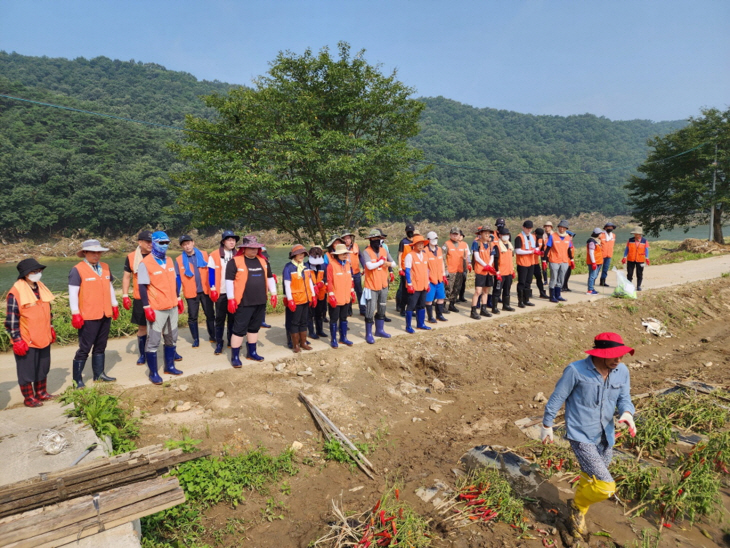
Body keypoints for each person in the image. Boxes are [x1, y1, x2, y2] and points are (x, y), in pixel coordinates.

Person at [541, 333, 636, 540]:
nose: (619, 360)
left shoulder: (622, 371)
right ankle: (578, 505)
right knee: (606, 486)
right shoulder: (576, 370)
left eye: (621, 355)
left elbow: (624, 398)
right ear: (600, 354)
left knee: (591, 476)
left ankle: (578, 515)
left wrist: (627, 413)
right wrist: (547, 424)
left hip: (606, 434)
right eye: (613, 356)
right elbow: (558, 397)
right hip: (581, 434)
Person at [5, 258, 57, 407]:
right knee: (26, 370)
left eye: (39, 271)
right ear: (25, 274)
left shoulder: (41, 287)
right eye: (34, 272)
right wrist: (17, 340)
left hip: (43, 334)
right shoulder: (15, 292)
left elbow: (48, 311)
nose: (38, 274)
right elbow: (12, 319)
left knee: (43, 366)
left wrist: (51, 328)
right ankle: (29, 398)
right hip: (26, 338)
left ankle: (41, 392)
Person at [69, 240, 118, 388]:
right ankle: (77, 380)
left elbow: (109, 286)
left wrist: (114, 304)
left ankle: (99, 374)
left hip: (104, 312)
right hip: (88, 315)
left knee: (100, 346)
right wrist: (75, 313)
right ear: (85, 253)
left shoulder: (105, 267)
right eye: (93, 252)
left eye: (99, 252)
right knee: (85, 348)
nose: (96, 255)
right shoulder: (77, 270)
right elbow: (72, 293)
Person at [137, 231, 184, 384]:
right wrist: (146, 307)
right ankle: (153, 373)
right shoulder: (145, 263)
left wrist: (178, 297)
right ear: (154, 243)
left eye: (167, 243)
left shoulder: (170, 261)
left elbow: (175, 280)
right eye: (161, 243)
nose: (164, 246)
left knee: (172, 337)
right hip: (157, 308)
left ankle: (169, 366)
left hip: (172, 306)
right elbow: (142, 287)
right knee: (154, 340)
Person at [226, 236, 278, 364]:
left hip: (260, 300)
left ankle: (252, 353)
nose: (255, 251)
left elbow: (270, 277)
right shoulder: (235, 261)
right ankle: (235, 357)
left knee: (254, 328)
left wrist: (274, 293)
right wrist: (231, 298)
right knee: (238, 330)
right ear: (243, 249)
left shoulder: (263, 261)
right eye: (251, 248)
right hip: (243, 302)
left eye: (257, 248)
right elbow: (229, 281)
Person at [176, 235, 215, 348]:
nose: (187, 246)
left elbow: (212, 272)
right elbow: (177, 278)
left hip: (205, 290)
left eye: (188, 243)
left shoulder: (204, 255)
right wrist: (177, 294)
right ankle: (196, 339)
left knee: (210, 314)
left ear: (193, 243)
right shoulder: (179, 260)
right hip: (191, 292)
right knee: (192, 317)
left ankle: (213, 336)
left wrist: (214, 287)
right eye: (184, 244)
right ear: (182, 247)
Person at [122, 230, 153, 365]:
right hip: (140, 297)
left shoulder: (158, 255)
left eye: (152, 242)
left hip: (156, 296)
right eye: (147, 242)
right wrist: (124, 295)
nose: (150, 244)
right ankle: (142, 354)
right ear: (140, 242)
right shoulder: (131, 257)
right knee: (142, 327)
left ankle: (171, 350)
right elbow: (127, 277)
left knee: (163, 326)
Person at [360, 229, 394, 343]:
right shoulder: (366, 251)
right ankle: (368, 334)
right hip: (371, 285)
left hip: (383, 284)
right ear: (370, 240)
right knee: (370, 309)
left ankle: (380, 330)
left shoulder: (384, 250)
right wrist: (381, 262)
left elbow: (393, 263)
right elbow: (369, 266)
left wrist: (386, 263)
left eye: (378, 239)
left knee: (382, 307)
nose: (376, 241)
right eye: (373, 239)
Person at [208, 230, 238, 355]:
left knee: (233, 318)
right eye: (229, 240)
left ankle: (232, 340)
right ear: (223, 241)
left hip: (234, 292)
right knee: (220, 318)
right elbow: (210, 272)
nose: (232, 242)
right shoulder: (214, 255)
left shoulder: (238, 255)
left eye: (233, 240)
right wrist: (212, 288)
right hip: (221, 291)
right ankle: (219, 342)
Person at [283, 244, 316, 353]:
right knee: (295, 322)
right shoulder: (288, 267)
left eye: (303, 254)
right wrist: (290, 299)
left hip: (306, 298)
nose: (301, 256)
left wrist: (313, 295)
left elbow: (310, 281)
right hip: (296, 299)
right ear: (294, 255)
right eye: (299, 254)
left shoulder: (305, 266)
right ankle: (295, 345)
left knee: (304, 322)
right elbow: (287, 285)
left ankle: (304, 342)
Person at [326, 244, 357, 348]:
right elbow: (329, 281)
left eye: (346, 253)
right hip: (335, 297)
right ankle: (333, 339)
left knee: (344, 318)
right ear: (337, 255)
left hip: (346, 297)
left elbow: (350, 278)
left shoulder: (347, 264)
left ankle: (343, 338)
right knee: (334, 319)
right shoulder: (331, 265)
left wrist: (352, 291)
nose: (345, 255)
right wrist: (331, 295)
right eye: (343, 254)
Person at [403, 235, 431, 333]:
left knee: (421, 305)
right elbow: (407, 270)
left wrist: (428, 283)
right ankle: (408, 326)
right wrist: (409, 284)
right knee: (411, 306)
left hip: (423, 284)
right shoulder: (410, 255)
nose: (420, 246)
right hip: (414, 285)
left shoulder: (425, 255)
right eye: (418, 244)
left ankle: (421, 324)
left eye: (422, 244)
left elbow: (427, 270)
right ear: (414, 245)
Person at [514, 220, 542, 308]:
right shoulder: (519, 237)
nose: (528, 230)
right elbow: (517, 250)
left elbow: (537, 247)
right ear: (523, 227)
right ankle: (520, 301)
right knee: (521, 282)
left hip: (532, 262)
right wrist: (531, 251)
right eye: (527, 228)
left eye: (530, 228)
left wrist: (538, 251)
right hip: (522, 263)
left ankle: (527, 300)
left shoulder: (533, 237)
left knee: (528, 282)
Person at [470, 226, 496, 319]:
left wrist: (489, 265)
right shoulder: (476, 243)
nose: (487, 234)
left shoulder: (491, 244)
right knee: (478, 291)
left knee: (486, 291)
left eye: (488, 233)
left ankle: (483, 309)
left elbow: (492, 256)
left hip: (488, 270)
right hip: (480, 270)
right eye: (485, 233)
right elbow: (476, 257)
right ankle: (473, 311)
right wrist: (485, 265)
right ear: (480, 233)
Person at [546, 220, 574, 303]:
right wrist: (544, 260)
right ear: (558, 227)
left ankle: (558, 295)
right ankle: (552, 296)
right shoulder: (553, 236)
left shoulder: (568, 237)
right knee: (553, 278)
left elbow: (569, 249)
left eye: (563, 227)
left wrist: (571, 259)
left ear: (566, 228)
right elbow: (548, 248)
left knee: (561, 278)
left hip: (564, 260)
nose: (562, 229)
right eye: (560, 227)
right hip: (554, 260)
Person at [443, 227, 469, 313]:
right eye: (453, 234)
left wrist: (466, 268)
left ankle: (452, 305)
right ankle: (442, 305)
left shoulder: (464, 244)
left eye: (456, 234)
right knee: (448, 289)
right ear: (450, 235)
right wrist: (445, 269)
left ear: (459, 235)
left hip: (460, 270)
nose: (454, 236)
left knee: (457, 288)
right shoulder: (446, 244)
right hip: (450, 271)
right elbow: (442, 257)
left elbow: (465, 258)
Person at [424, 231, 448, 323]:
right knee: (429, 299)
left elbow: (442, 262)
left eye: (436, 239)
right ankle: (430, 317)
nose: (434, 241)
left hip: (439, 278)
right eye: (432, 239)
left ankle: (439, 315)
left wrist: (444, 274)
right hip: (430, 279)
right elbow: (425, 266)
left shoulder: (439, 249)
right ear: (428, 240)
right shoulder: (425, 251)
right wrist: (427, 280)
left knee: (441, 297)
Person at [307, 246, 328, 339]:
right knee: (310, 314)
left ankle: (320, 331)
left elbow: (326, 277)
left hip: (321, 294)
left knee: (319, 313)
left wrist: (322, 282)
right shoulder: (305, 267)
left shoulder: (323, 265)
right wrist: (312, 286)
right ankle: (311, 332)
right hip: (310, 295)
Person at [342, 231, 365, 316]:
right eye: (345, 238)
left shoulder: (355, 246)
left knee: (359, 291)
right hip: (346, 274)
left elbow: (361, 257)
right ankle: (349, 310)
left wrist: (365, 267)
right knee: (348, 292)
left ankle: (363, 309)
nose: (347, 240)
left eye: (348, 238)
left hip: (356, 272)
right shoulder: (341, 248)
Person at [493, 227, 515, 312]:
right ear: (500, 235)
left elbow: (510, 259)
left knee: (507, 290)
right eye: (504, 235)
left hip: (508, 271)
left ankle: (506, 305)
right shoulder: (497, 246)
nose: (506, 236)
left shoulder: (509, 245)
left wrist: (512, 270)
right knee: (497, 290)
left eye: (507, 235)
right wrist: (497, 271)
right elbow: (495, 260)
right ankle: (494, 307)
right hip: (501, 272)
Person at [396, 223, 415, 316]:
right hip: (404, 269)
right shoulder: (403, 242)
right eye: (408, 231)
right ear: (406, 232)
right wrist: (400, 268)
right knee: (404, 290)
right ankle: (402, 309)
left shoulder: (415, 242)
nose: (410, 233)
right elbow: (399, 255)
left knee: (413, 291)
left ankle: (410, 309)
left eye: (411, 231)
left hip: (414, 270)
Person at [586, 228, 605, 295]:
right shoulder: (592, 241)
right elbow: (591, 252)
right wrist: (593, 262)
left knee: (594, 275)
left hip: (598, 261)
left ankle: (591, 288)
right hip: (594, 262)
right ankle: (590, 290)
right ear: (597, 234)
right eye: (601, 234)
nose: (602, 235)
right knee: (592, 276)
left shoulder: (597, 241)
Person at [533, 227, 550, 299]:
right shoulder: (530, 239)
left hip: (536, 262)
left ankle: (542, 293)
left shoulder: (541, 240)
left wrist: (544, 261)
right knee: (527, 280)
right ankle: (526, 295)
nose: (539, 237)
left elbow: (543, 250)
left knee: (539, 278)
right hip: (528, 263)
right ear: (535, 233)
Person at [599, 222, 617, 287]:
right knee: (597, 269)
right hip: (601, 254)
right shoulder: (601, 235)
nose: (610, 228)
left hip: (609, 254)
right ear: (605, 228)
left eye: (611, 227)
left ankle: (603, 281)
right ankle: (592, 281)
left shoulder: (613, 235)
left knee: (605, 269)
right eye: (608, 227)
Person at [457, 229, 472, 304]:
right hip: (456, 266)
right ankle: (454, 297)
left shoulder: (465, 244)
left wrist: (469, 263)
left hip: (464, 266)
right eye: (459, 235)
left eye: (461, 236)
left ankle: (461, 296)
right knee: (456, 282)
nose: (460, 237)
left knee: (463, 281)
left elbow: (468, 254)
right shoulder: (454, 244)